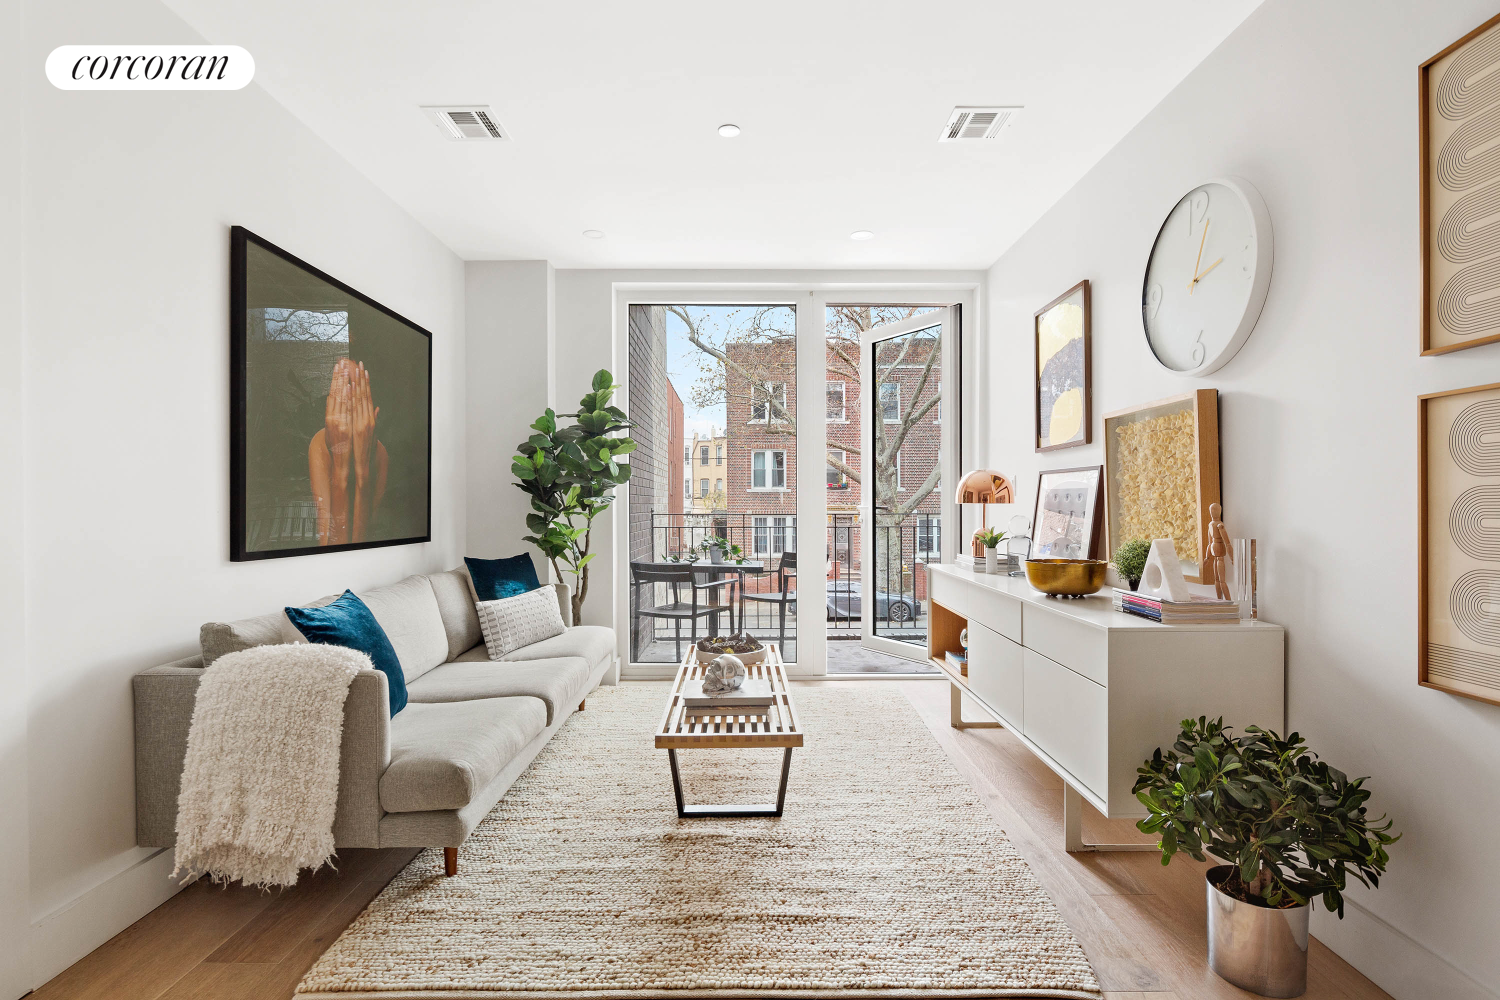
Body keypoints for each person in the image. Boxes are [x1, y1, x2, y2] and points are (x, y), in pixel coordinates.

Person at [308, 357, 388, 545]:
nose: (348, 400)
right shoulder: (320, 444)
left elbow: (365, 544)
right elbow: (330, 546)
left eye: (356, 388)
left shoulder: (379, 453)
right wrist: (340, 471)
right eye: (341, 390)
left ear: (373, 414)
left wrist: (362, 473)